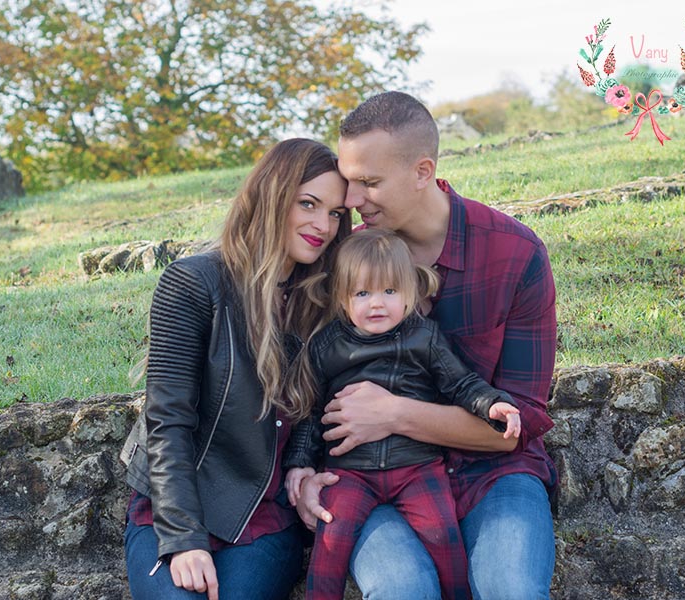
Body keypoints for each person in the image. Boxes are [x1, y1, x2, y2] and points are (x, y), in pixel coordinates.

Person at [295, 92, 559, 600]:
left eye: (370, 183)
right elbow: (303, 384)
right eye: (349, 181)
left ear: (422, 171)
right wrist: (301, 469)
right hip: (374, 479)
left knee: (511, 590)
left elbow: (517, 424)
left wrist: (393, 413)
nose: (351, 201)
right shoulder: (340, 254)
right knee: (402, 591)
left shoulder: (514, 254)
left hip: (493, 474)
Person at [119, 138, 352, 600]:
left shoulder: (325, 301)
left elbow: (314, 409)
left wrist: (303, 465)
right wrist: (184, 539)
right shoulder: (193, 283)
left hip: (264, 518)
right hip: (178, 510)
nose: (322, 225)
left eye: (335, 213)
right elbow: (167, 421)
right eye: (308, 204)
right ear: (271, 197)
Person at [283, 228, 521, 600]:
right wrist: (300, 463)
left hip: (417, 468)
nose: (377, 304)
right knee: (331, 542)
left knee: (444, 537)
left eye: (389, 292)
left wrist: (492, 403)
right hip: (349, 471)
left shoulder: (423, 338)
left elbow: (460, 384)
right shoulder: (327, 346)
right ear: (344, 299)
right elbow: (310, 413)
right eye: (363, 293)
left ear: (410, 293)